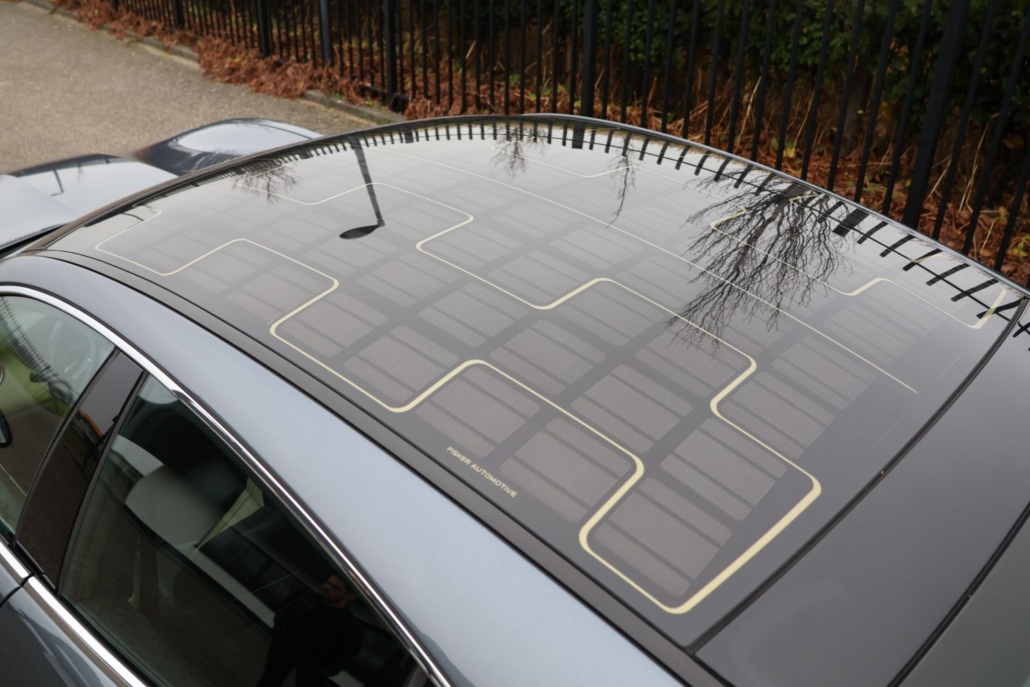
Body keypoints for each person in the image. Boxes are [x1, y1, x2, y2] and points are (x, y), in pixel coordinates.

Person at [256, 575, 366, 687]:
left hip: (313, 665)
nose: (327, 587)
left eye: (335, 588)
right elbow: (283, 612)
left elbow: (347, 652)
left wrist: (326, 669)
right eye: (327, 582)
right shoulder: (305, 597)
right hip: (286, 648)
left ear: (350, 596)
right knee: (270, 680)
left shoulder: (349, 625)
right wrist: (279, 634)